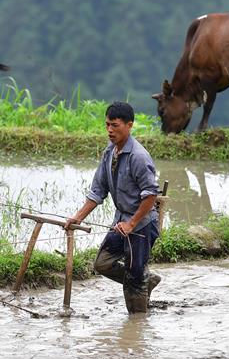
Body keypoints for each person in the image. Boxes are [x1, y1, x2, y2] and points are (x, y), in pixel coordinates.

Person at [66, 101, 161, 313]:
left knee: (134, 277)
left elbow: (150, 194)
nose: (110, 130)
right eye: (107, 124)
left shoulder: (138, 156)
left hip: (141, 225)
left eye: (115, 125)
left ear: (129, 125)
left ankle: (136, 329)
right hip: (121, 221)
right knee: (102, 263)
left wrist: (132, 223)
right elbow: (98, 190)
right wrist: (78, 218)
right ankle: (147, 281)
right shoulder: (109, 152)